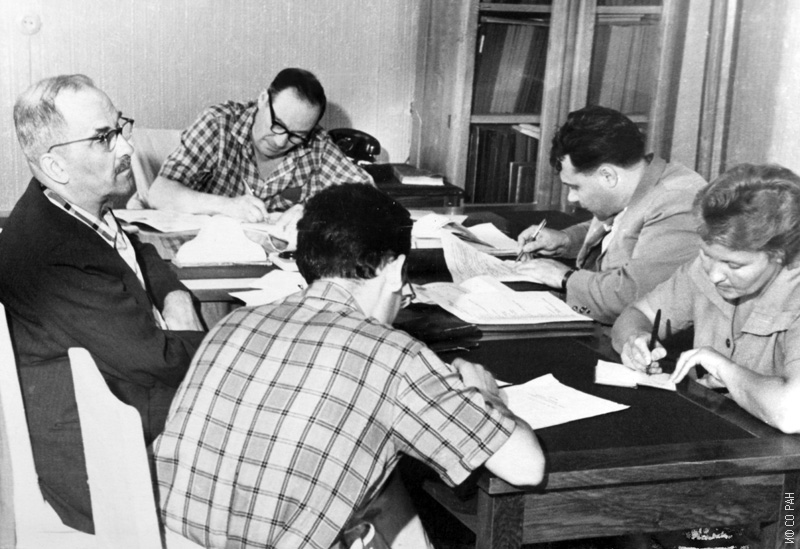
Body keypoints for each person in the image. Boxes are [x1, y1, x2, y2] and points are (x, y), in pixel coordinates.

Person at [154, 183, 545, 549]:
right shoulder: (393, 355)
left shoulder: (232, 324)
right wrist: (488, 397)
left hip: (159, 538)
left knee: (383, 481)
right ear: (395, 270)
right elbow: (526, 468)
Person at [0, 74, 206, 533]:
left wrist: (174, 296)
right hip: (102, 461)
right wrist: (207, 336)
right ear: (55, 164)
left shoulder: (71, 206)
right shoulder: (53, 253)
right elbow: (159, 360)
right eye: (104, 138)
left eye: (120, 127)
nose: (127, 148)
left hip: (127, 408)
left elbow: (137, 249)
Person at [612, 163, 800, 434]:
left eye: (734, 265)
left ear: (780, 255)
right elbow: (638, 314)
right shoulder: (706, 269)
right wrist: (635, 339)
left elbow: (792, 413)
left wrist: (724, 369)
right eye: (706, 254)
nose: (714, 275)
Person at [514, 106, 707, 325]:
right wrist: (567, 240)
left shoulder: (678, 201)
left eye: (575, 187)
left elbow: (634, 298)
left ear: (608, 176)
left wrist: (564, 277)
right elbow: (625, 227)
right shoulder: (642, 181)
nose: (571, 198)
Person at [146, 67, 373, 228]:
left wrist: (314, 213)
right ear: (263, 99)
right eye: (278, 125)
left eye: (297, 135)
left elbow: (368, 199)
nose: (280, 142)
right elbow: (159, 193)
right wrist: (226, 206)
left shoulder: (317, 145)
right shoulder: (219, 124)